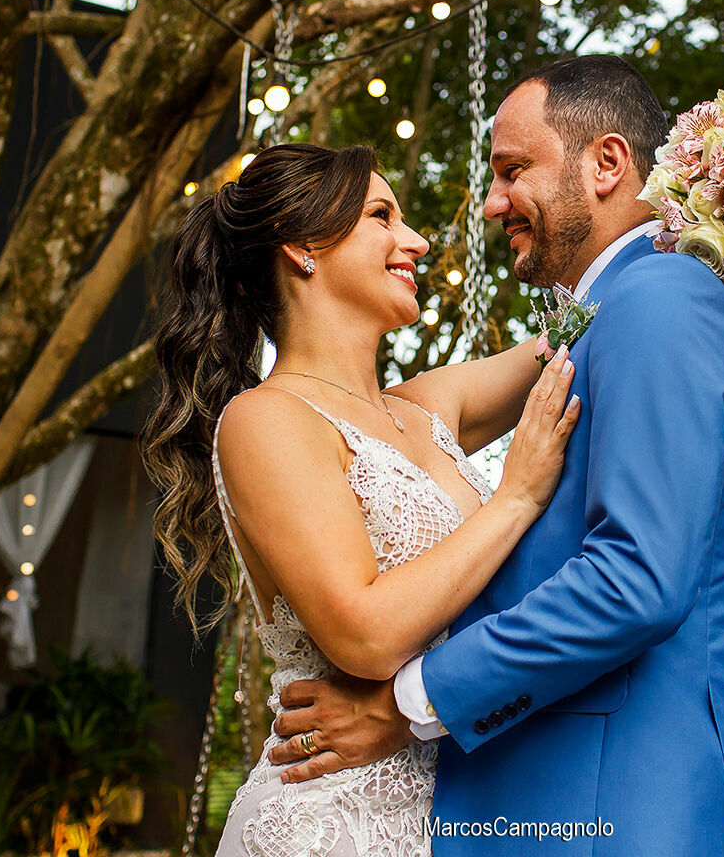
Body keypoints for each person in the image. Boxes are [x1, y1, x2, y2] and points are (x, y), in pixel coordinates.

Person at [266, 56, 724, 855]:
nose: (492, 203)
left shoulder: (662, 302)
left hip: (618, 811)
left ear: (607, 163)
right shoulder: (610, 317)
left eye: (511, 170)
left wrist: (403, 705)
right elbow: (553, 346)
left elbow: (635, 580)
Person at [141, 142, 583, 857]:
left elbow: (579, 334)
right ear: (302, 247)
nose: (415, 240)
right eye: (382, 215)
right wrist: (514, 498)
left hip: (455, 808)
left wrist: (714, 209)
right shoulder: (265, 419)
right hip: (329, 823)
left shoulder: (429, 407)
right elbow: (365, 635)